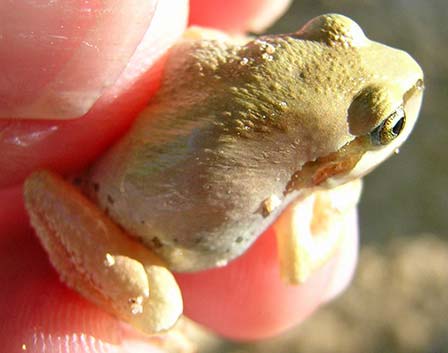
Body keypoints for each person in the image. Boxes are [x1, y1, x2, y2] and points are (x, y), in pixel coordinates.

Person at [0, 1, 357, 351]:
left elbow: (193, 41)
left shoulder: (224, 46)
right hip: (121, 223)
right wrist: (335, 203)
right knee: (160, 309)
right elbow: (297, 264)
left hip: (103, 154)